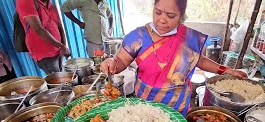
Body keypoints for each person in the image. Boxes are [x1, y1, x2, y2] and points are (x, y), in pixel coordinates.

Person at [100, 0, 247, 116]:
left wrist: (227, 70)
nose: (162, 20)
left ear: (181, 16)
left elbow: (200, 60)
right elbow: (121, 61)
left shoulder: (188, 38)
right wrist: (112, 62)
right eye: (158, 13)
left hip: (177, 105)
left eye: (170, 16)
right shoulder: (138, 36)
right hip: (145, 104)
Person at [16, 0, 70, 74]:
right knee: (57, 81)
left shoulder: (51, 5)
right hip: (45, 53)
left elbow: (60, 27)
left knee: (63, 77)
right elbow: (39, 29)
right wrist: (61, 46)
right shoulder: (25, 1)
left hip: (58, 50)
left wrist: (63, 46)